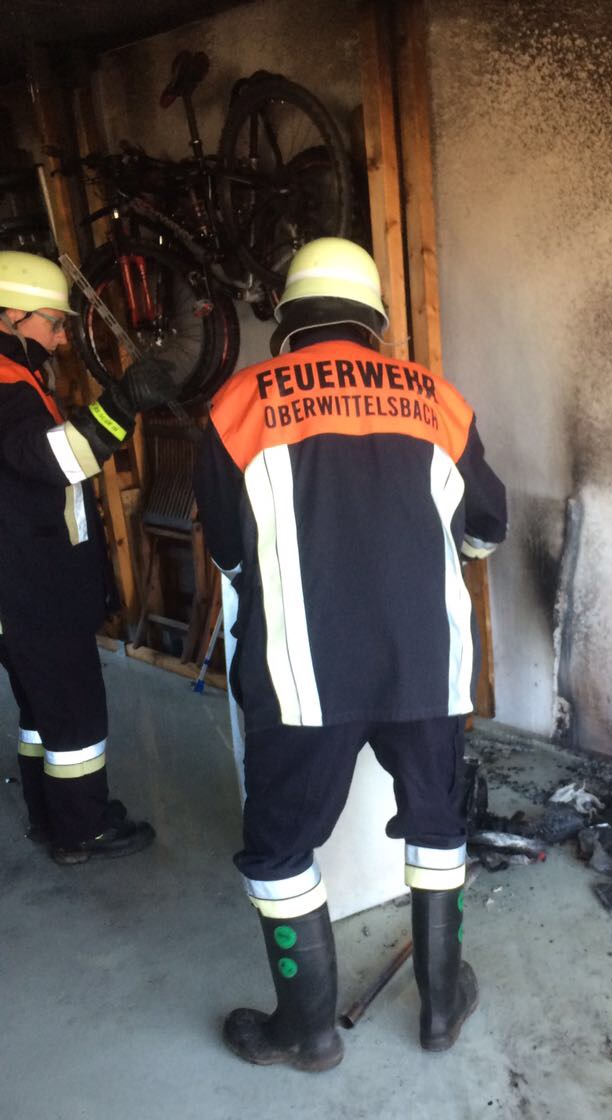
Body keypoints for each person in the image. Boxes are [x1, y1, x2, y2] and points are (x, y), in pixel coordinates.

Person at [195, 237, 507, 1071]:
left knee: (279, 850)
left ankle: (307, 1031)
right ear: (373, 321)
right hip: (427, 668)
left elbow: (227, 548)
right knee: (438, 824)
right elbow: (487, 525)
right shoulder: (436, 399)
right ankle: (441, 1009)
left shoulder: (238, 404)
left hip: (302, 676)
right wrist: (442, 559)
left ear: (288, 320)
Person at [0, 250, 174, 865]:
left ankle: (53, 817)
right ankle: (83, 832)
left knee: (41, 710)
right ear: (10, 315)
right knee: (73, 715)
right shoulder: (5, 386)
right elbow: (58, 458)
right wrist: (124, 401)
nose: (62, 336)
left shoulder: (19, 378)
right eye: (53, 322)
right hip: (32, 586)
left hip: (21, 586)